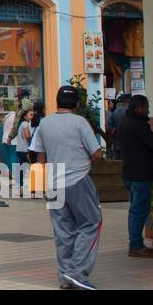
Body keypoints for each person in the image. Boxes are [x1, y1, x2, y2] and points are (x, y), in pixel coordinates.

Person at [32, 84, 104, 290]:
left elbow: (40, 156)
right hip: (79, 180)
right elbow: (97, 153)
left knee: (62, 231)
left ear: (57, 102)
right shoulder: (80, 122)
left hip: (53, 185)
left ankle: (65, 277)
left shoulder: (44, 124)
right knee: (91, 223)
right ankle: (77, 272)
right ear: (77, 103)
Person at [119, 93, 153, 257]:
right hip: (140, 174)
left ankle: (135, 242)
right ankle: (136, 245)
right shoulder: (139, 124)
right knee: (138, 210)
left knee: (135, 209)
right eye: (146, 107)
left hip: (129, 172)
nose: (148, 110)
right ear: (140, 108)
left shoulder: (124, 122)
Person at [12, 106, 35, 191]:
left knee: (21, 168)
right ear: (25, 116)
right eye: (30, 115)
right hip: (24, 150)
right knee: (29, 167)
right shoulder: (25, 124)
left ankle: (19, 185)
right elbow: (27, 136)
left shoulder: (22, 124)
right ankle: (22, 185)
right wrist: (32, 141)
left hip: (19, 149)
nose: (32, 116)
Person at [106, 93, 130, 160]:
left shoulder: (115, 112)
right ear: (128, 100)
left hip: (117, 145)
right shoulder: (131, 111)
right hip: (129, 145)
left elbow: (109, 127)